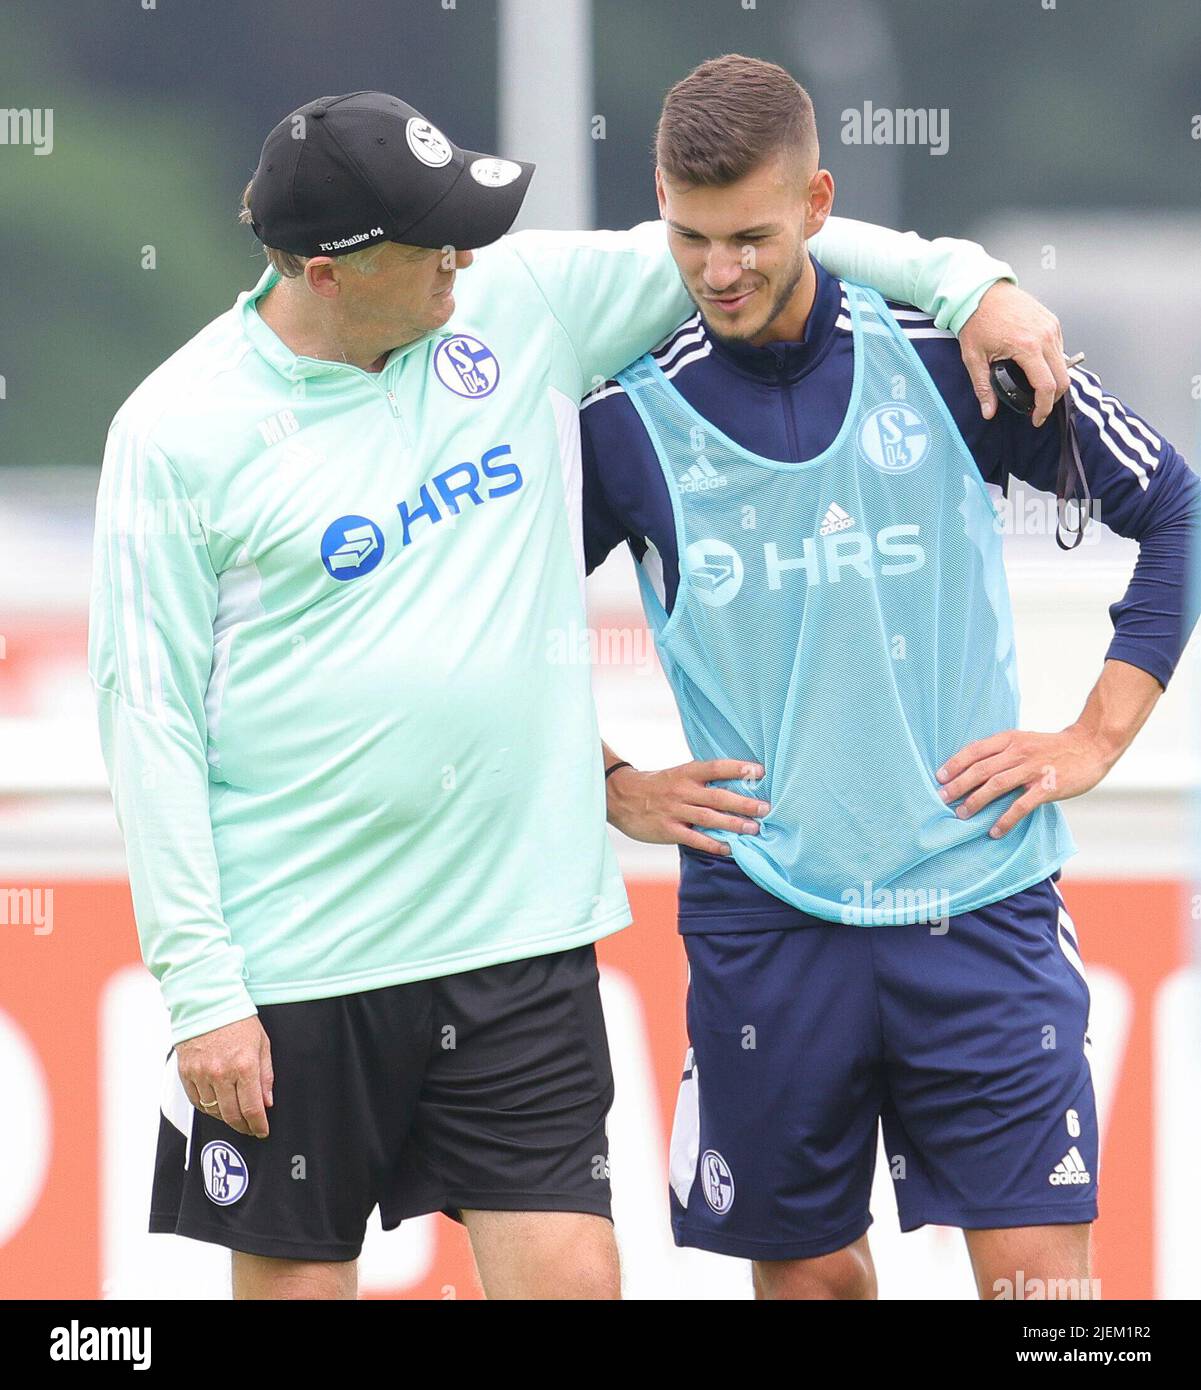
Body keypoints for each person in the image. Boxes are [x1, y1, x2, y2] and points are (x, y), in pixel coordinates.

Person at [89, 87, 1063, 1301]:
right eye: (433, 240)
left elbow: (764, 227)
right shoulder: (174, 431)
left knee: (574, 1281)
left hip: (520, 944)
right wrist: (201, 994)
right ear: (327, 271)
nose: (465, 256)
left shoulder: (516, 301)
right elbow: (149, 724)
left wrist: (973, 285)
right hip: (294, 959)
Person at [584, 55, 1199, 1300]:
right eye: (691, 238)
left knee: (1044, 1295)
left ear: (818, 204)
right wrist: (612, 783)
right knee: (809, 1285)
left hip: (979, 899)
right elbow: (486, 622)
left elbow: (1174, 505)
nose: (720, 272)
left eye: (752, 235)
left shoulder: (949, 353)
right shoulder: (621, 418)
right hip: (764, 915)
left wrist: (1092, 738)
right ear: (658, 205)